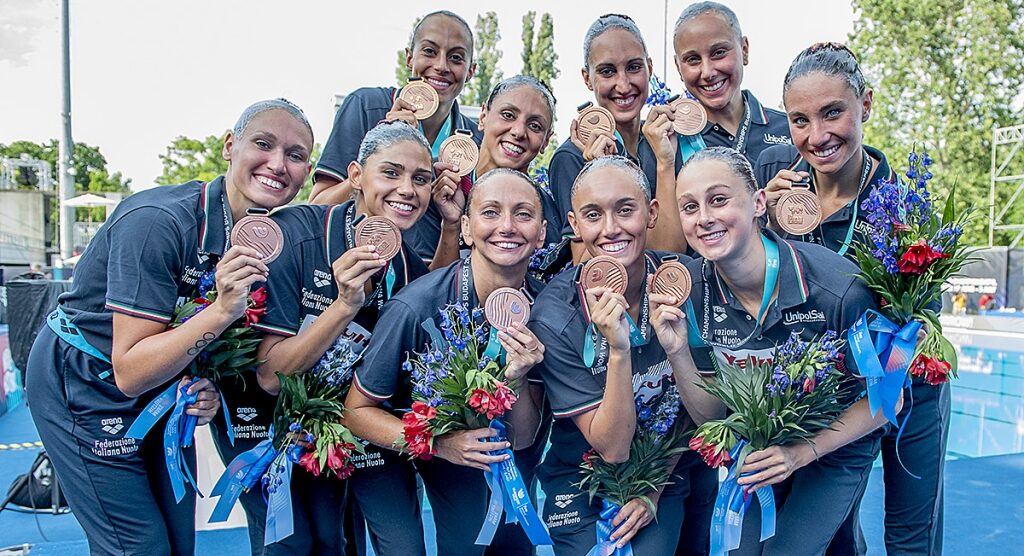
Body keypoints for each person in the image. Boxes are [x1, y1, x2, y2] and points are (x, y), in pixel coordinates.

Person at [25, 98, 314, 555]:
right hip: (84, 379)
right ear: (229, 145)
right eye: (264, 144)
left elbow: (190, 338)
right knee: (138, 547)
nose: (278, 164)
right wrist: (220, 311)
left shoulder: (262, 238)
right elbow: (131, 370)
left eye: (296, 155)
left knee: (179, 543)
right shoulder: (159, 221)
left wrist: (200, 382)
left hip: (160, 390)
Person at [757, 43, 944, 556]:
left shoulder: (903, 203)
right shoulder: (775, 179)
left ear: (866, 104)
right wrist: (762, 227)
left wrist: (914, 332)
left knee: (910, 532)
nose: (817, 136)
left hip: (907, 385)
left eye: (833, 112)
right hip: (831, 393)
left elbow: (928, 311)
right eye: (800, 119)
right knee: (833, 534)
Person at [674, 146, 887, 555]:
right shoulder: (693, 292)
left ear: (758, 203)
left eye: (719, 200)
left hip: (836, 441)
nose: (704, 218)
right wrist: (679, 351)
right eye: (689, 207)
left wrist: (803, 452)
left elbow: (884, 397)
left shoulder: (836, 289)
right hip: (763, 440)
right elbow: (714, 414)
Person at [249, 121, 433, 556]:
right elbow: (271, 377)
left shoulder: (410, 270)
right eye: (391, 173)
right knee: (309, 545)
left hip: (360, 418)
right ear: (355, 175)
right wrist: (345, 305)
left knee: (404, 547)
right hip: (278, 421)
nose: (407, 189)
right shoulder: (297, 233)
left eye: (420, 179)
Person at [343, 169, 549, 556]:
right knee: (457, 538)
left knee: (515, 543)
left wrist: (517, 377)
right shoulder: (415, 307)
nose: (506, 226)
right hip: (399, 438)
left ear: (541, 233)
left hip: (495, 446)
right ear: (467, 229)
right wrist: (438, 445)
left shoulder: (548, 311)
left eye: (523, 214)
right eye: (490, 212)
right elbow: (355, 413)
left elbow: (522, 438)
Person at [529, 155, 719, 555]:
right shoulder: (555, 314)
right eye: (593, 215)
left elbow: (698, 410)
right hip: (580, 475)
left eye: (625, 210)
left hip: (667, 466)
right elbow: (612, 448)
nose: (611, 228)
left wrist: (655, 487)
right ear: (574, 225)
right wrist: (618, 350)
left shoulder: (686, 281)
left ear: (651, 213)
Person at [309, 10, 478, 263]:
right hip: (350, 265)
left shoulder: (473, 140)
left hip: (424, 279)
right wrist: (377, 162)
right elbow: (318, 206)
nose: (441, 66)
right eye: (429, 52)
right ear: (409, 57)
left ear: (471, 71)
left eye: (455, 58)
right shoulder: (366, 106)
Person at [549, 14, 667, 263]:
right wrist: (597, 172)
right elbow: (583, 265)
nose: (623, 85)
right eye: (607, 71)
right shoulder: (571, 157)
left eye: (634, 67)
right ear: (586, 78)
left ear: (650, 67)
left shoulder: (663, 141)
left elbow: (674, 252)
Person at [428, 75, 562, 270]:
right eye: (508, 115)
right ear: (483, 117)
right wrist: (451, 225)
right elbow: (424, 287)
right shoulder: (438, 182)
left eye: (535, 126)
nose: (518, 132)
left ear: (546, 141)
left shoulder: (547, 214)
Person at [672, 2, 792, 166]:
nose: (707, 73)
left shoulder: (790, 129)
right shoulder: (670, 141)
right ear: (678, 67)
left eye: (719, 53)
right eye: (693, 59)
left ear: (744, 50)